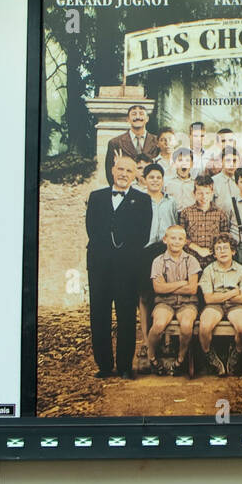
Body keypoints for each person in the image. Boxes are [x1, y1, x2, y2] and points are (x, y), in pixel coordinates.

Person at [84, 154, 152, 379]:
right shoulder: (96, 197)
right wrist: (107, 252)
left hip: (127, 268)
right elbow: (91, 230)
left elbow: (143, 235)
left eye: (129, 171)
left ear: (135, 176)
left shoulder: (142, 200)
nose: (124, 174)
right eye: (120, 169)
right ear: (113, 171)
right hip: (99, 266)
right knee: (99, 315)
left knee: (125, 316)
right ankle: (104, 365)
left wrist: (122, 251)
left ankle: (124, 366)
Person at [138, 162, 182, 371]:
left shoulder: (171, 202)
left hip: (165, 251)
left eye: (158, 177)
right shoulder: (138, 200)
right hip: (144, 251)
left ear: (163, 180)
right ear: (144, 180)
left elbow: (176, 225)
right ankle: (147, 341)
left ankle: (166, 342)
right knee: (146, 296)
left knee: (166, 293)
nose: (155, 181)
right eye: (151, 177)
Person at [146, 224, 200, 375]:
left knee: (186, 325)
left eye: (180, 239)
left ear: (185, 241)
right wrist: (182, 283)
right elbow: (158, 289)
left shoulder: (191, 260)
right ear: (165, 239)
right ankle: (151, 357)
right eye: (173, 238)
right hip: (165, 302)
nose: (176, 242)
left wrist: (168, 285)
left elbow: (192, 289)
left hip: (187, 303)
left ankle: (180, 360)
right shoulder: (158, 261)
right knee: (159, 324)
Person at [198, 234, 242, 375]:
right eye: (218, 249)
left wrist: (221, 297)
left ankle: (236, 354)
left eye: (226, 248)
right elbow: (208, 299)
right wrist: (232, 293)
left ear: (233, 251)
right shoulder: (208, 270)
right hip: (215, 306)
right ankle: (209, 355)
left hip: (235, 306)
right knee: (204, 327)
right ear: (214, 254)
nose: (222, 251)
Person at [179, 175, 233, 269]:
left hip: (214, 261)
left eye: (207, 193)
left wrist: (213, 251)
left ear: (212, 193)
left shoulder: (220, 213)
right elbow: (182, 237)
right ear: (194, 193)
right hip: (191, 260)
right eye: (200, 193)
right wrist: (198, 249)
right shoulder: (186, 213)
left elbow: (225, 237)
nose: (204, 197)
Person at [103, 104, 159, 185]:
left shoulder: (157, 142)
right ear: (128, 119)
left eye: (141, 114)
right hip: (126, 190)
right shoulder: (116, 143)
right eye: (134, 114)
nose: (137, 117)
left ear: (147, 119)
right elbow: (110, 174)